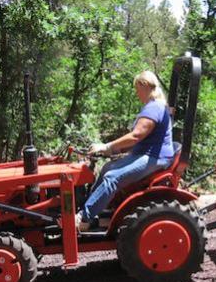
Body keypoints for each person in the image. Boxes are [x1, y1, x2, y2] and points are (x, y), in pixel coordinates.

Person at [75, 71, 176, 231]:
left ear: (144, 85)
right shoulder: (154, 106)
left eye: (137, 89)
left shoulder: (154, 107)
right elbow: (140, 139)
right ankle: (95, 208)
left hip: (155, 157)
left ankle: (83, 219)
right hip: (146, 153)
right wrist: (114, 150)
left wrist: (108, 146)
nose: (137, 93)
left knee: (112, 177)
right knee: (107, 167)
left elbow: (136, 136)